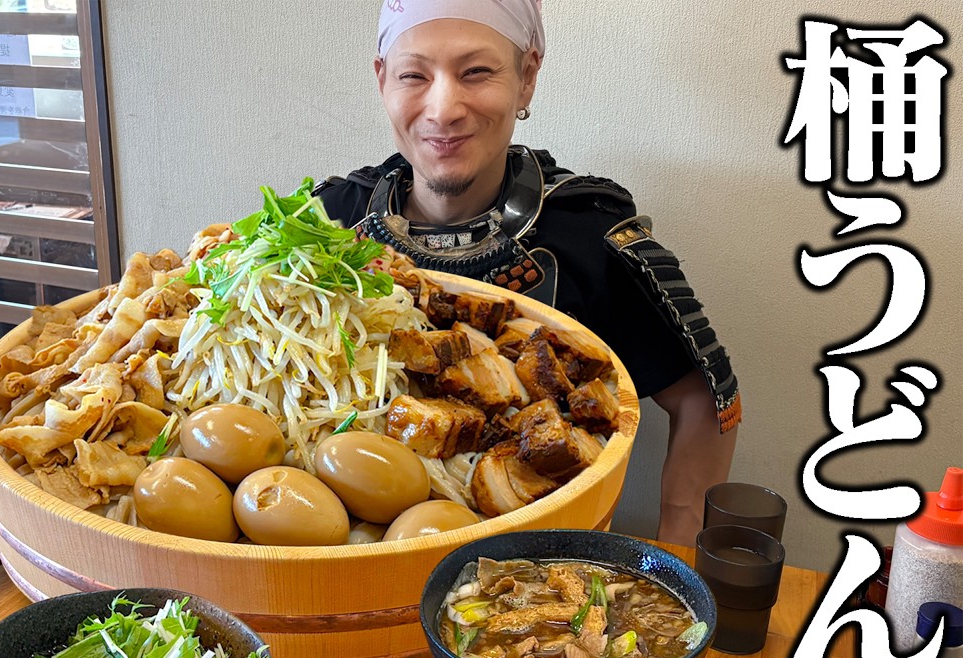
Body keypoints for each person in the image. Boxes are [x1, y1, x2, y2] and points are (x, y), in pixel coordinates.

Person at [314, 0, 740, 545]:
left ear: (527, 77)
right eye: (413, 75)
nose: (443, 109)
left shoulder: (587, 232)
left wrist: (677, 550)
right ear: (382, 81)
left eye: (476, 72)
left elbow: (709, 395)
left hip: (531, 566)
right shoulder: (328, 222)